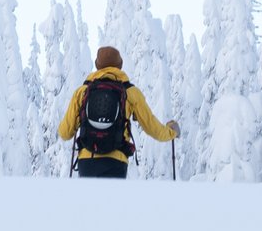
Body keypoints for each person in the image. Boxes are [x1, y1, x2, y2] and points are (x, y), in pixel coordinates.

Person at [56, 44, 177, 178]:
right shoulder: (130, 92)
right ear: (119, 66)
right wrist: (171, 132)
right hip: (116, 161)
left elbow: (65, 133)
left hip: (87, 161)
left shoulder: (82, 92)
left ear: (97, 66)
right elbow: (152, 127)